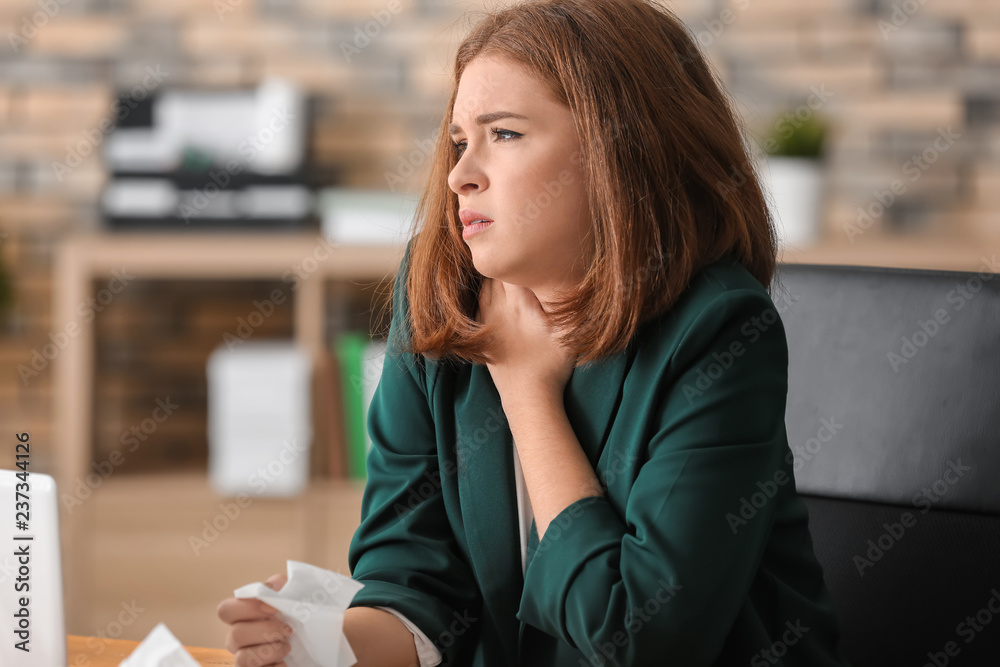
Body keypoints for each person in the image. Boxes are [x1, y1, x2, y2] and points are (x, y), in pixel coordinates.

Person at [217, 0, 855, 665]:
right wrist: (322, 641)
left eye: (506, 134)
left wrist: (526, 392)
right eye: (461, 140)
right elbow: (415, 582)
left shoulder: (718, 328)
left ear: (620, 148)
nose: (460, 174)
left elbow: (641, 635)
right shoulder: (438, 291)